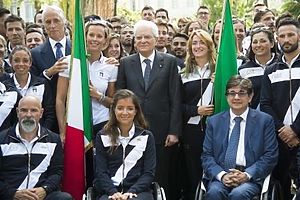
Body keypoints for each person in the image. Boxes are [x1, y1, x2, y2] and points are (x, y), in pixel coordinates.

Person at [116, 20, 181, 199]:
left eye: (147, 37)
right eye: (139, 37)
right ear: (134, 40)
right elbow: (119, 98)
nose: (143, 40)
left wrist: (174, 131)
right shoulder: (125, 63)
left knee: (161, 178)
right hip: (132, 130)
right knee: (135, 176)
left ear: (155, 39)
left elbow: (175, 98)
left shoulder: (169, 62)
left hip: (162, 131)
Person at [202, 75, 278, 200]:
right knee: (214, 193)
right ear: (226, 96)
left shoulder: (264, 121)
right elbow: (207, 155)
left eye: (241, 93)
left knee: (238, 194)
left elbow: (270, 155)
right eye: (232, 93)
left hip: (250, 177)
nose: (236, 97)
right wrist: (222, 175)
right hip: (222, 176)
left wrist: (247, 175)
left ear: (250, 96)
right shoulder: (214, 122)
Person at [0, 95, 72, 200]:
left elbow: (56, 172)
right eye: (24, 110)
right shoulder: (2, 140)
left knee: (64, 198)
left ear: (41, 113)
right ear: (17, 112)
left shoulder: (53, 140)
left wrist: (45, 189)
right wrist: (13, 194)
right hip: (10, 196)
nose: (28, 115)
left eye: (33, 110)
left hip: (40, 196)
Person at [260, 18, 300, 200]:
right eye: (282, 36)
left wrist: (296, 130)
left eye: (290, 35)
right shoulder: (271, 70)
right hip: (280, 139)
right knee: (281, 188)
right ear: (277, 39)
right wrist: (283, 130)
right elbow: (265, 103)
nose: (286, 39)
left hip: (298, 135)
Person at [94, 89, 156, 200]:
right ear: (113, 110)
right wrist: (112, 192)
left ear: (136, 111)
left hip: (139, 192)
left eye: (130, 108)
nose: (125, 113)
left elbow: (148, 173)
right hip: (109, 192)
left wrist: (133, 191)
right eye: (120, 108)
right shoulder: (102, 136)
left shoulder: (146, 136)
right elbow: (101, 171)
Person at [180, 29, 215, 199]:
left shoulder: (219, 70)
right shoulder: (183, 73)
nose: (198, 46)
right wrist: (196, 110)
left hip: (215, 131)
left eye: (202, 42)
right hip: (191, 131)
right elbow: (176, 105)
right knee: (193, 173)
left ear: (209, 46)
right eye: (194, 43)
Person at [5, 45, 55, 131]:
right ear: (10, 62)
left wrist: (42, 133)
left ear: (30, 63)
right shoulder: (4, 86)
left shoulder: (42, 84)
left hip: (39, 137)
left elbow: (50, 113)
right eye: (16, 60)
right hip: (11, 138)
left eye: (25, 60)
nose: (21, 64)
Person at [239, 27, 277, 109]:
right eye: (255, 42)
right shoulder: (243, 70)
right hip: (254, 117)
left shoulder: (282, 66)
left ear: (272, 43)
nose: (258, 45)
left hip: (280, 118)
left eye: (263, 41)